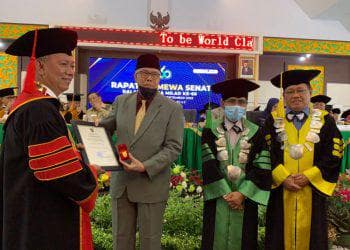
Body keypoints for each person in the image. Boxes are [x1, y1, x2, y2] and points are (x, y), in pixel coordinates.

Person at [1, 28, 99, 249]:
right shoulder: (39, 111)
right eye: (63, 64)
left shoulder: (33, 106)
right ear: (41, 66)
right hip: (43, 222)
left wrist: (74, 153)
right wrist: (91, 173)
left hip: (30, 210)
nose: (69, 71)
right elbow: (59, 172)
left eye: (72, 65)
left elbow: (48, 158)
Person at [100, 53, 184, 250]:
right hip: (122, 184)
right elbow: (104, 129)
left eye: (154, 75)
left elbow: (174, 147)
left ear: (159, 79)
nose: (149, 78)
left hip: (151, 184)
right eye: (145, 73)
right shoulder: (121, 101)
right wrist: (89, 140)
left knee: (150, 242)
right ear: (136, 76)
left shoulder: (172, 108)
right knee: (121, 240)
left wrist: (145, 166)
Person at [264, 69, 343, 250]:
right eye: (290, 91)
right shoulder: (273, 121)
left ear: (310, 93)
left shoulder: (325, 121)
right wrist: (282, 176)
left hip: (312, 192)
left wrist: (310, 175)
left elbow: (334, 154)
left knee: (313, 237)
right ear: (283, 96)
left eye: (301, 90)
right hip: (280, 193)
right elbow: (264, 152)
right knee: (278, 236)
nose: (296, 95)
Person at [201, 78, 271, 250]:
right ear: (223, 103)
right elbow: (208, 163)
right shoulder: (210, 131)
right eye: (232, 101)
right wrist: (226, 193)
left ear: (246, 105)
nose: (237, 106)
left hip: (245, 200)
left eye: (242, 102)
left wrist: (242, 194)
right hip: (218, 197)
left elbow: (261, 166)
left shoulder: (257, 132)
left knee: (245, 240)